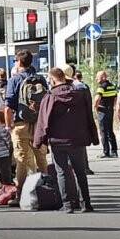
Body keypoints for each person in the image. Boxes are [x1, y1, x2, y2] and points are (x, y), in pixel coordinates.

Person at [33, 68, 99, 212]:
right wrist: (93, 135)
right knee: (80, 172)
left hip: (58, 140)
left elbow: (43, 121)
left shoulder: (50, 96)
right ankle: (86, 203)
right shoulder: (80, 94)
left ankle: (67, 204)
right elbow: (88, 115)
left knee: (62, 172)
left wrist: (38, 141)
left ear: (52, 79)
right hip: (77, 139)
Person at [5, 50, 48, 189]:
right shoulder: (40, 79)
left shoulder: (14, 80)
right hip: (38, 124)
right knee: (41, 158)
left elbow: (8, 107)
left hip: (20, 124)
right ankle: (47, 189)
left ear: (19, 62)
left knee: (21, 160)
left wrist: (9, 126)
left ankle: (21, 194)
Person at [94, 70, 119, 159]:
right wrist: (114, 107)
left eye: (98, 77)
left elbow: (97, 99)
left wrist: (95, 108)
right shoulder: (112, 86)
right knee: (110, 131)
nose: (96, 78)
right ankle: (114, 151)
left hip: (102, 111)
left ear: (103, 77)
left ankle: (106, 152)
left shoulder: (101, 87)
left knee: (103, 132)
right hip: (110, 110)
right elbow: (116, 98)